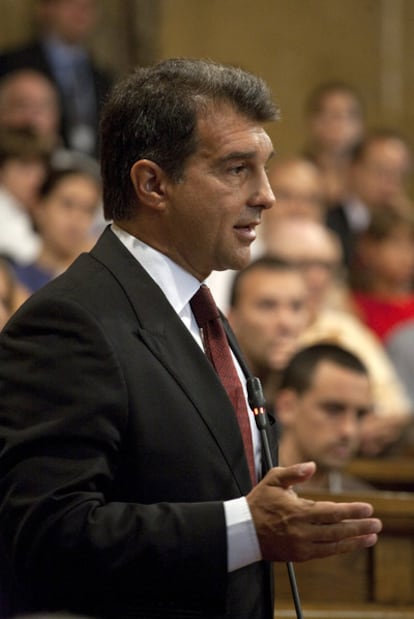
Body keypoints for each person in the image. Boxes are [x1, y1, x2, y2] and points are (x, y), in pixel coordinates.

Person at [0, 58, 381, 619]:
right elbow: (46, 534)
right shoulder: (69, 322)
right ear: (153, 183)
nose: (267, 196)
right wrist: (245, 529)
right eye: (236, 169)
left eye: (265, 168)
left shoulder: (200, 312)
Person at [265, 218, 413, 456]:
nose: (317, 277)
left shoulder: (347, 327)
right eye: (304, 264)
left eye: (325, 266)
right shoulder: (261, 326)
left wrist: (382, 423)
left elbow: (395, 404)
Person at [0, 0, 113, 156]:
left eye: (89, 5)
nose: (81, 11)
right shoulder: (12, 63)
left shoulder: (102, 76)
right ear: (46, 8)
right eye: (71, 3)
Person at [276, 343, 374, 493]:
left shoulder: (365, 503)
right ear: (287, 407)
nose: (349, 430)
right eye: (333, 410)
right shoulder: (248, 491)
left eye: (360, 415)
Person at [350, 207, 414, 406]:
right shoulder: (352, 306)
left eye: (411, 244)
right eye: (395, 244)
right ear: (369, 248)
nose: (406, 255)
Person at [326, 128, 414, 268]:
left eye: (400, 174)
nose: (392, 182)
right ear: (353, 169)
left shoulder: (407, 226)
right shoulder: (327, 223)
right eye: (382, 171)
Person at [228, 256, 310, 404]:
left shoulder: (319, 392)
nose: (286, 322)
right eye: (267, 306)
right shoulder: (211, 390)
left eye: (296, 307)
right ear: (232, 319)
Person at [13, 165, 101, 293]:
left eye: (88, 210)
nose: (77, 219)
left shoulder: (99, 281)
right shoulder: (12, 280)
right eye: (67, 204)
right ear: (39, 207)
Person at [303, 81, 365, 206]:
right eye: (332, 114)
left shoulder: (369, 179)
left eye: (349, 115)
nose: (340, 123)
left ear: (361, 125)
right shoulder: (298, 176)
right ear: (313, 122)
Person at [0, 127, 51, 265]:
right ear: (2, 169)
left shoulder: (23, 208)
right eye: (25, 166)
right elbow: (41, 261)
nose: (37, 178)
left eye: (40, 167)